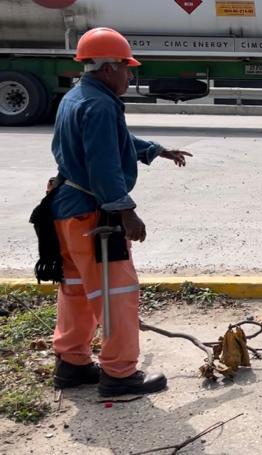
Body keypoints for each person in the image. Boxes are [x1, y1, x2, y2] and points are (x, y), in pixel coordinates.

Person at [50, 27, 192, 396]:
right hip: (94, 216)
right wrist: (125, 211)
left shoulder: (77, 97)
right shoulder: (99, 105)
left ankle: (72, 364)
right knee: (117, 292)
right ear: (109, 68)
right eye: (127, 69)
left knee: (76, 289)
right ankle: (118, 374)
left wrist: (154, 150)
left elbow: (112, 140)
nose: (130, 76)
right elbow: (102, 163)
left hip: (66, 210)